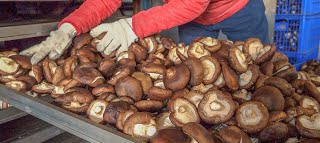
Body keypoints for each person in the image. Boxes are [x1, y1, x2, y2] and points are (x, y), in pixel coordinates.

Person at [21, 0, 269, 64]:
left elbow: (193, 3)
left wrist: (131, 26)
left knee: (258, 62)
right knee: (196, 70)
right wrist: (68, 28)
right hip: (194, 19)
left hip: (239, 7)